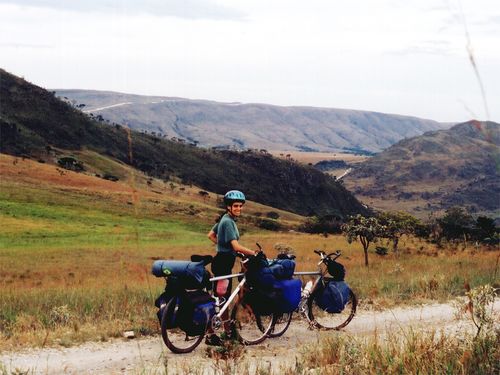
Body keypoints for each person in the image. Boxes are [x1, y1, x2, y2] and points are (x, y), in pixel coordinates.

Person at [205, 190, 257, 345]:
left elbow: (210, 235)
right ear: (228, 206)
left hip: (222, 260)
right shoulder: (228, 221)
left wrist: (223, 246)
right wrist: (252, 253)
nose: (238, 208)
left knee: (222, 299)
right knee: (221, 299)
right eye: (235, 206)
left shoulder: (225, 219)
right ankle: (211, 333)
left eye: (240, 206)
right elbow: (235, 245)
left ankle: (227, 331)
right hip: (223, 264)